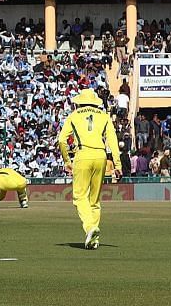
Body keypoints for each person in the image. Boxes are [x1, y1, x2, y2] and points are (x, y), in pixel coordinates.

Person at [58, 88, 120, 250]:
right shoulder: (104, 116)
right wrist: (118, 165)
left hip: (83, 154)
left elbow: (61, 140)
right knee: (94, 200)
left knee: (79, 197)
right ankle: (94, 239)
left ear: (79, 102)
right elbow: (112, 141)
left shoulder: (74, 116)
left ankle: (90, 228)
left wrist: (66, 160)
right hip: (101, 156)